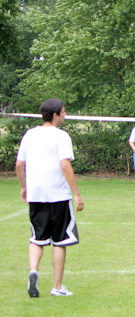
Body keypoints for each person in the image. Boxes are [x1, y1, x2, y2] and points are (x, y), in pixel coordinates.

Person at [16, 99, 84, 297]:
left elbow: (20, 165)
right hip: (58, 196)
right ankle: (57, 287)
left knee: (37, 238)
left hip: (36, 195)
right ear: (55, 115)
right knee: (60, 241)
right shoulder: (61, 136)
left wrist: (23, 187)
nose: (65, 115)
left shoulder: (30, 134)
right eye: (64, 112)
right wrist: (77, 193)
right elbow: (65, 165)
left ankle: (33, 270)